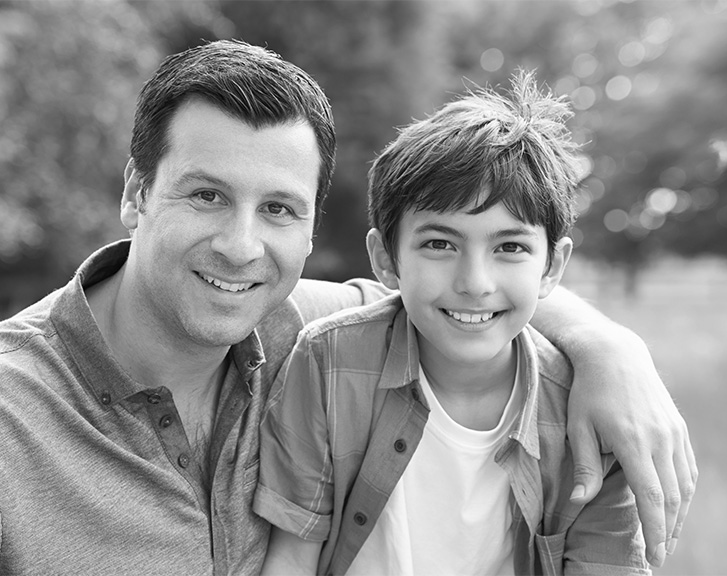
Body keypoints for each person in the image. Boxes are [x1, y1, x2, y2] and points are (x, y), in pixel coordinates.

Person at [0, 40, 693, 575]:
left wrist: (607, 348)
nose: (241, 248)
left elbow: (468, 301)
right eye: (205, 195)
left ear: (312, 226)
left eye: (278, 209)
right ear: (136, 193)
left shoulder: (316, 330)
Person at [255, 71, 650, 575]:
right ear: (385, 258)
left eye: (510, 247)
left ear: (551, 266)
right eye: (440, 244)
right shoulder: (330, 362)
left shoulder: (590, 410)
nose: (474, 282)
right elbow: (292, 557)